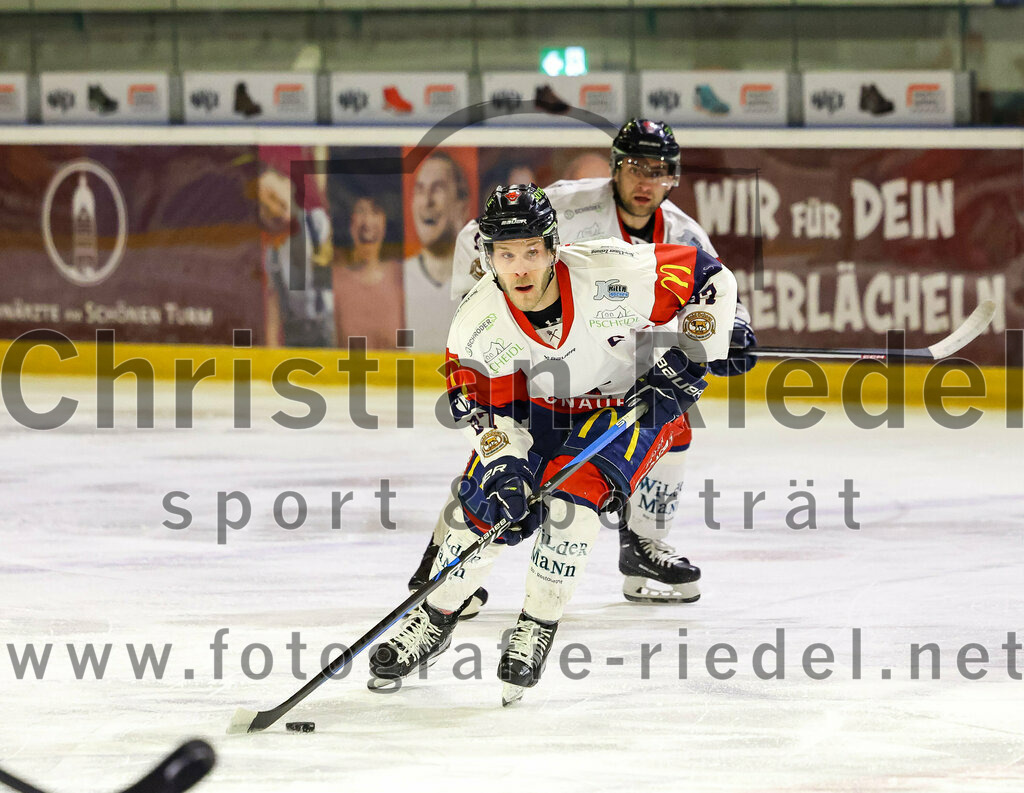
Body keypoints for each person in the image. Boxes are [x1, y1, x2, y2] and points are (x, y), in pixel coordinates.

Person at [369, 184, 739, 702]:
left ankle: (536, 627)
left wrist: (704, 343)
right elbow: (491, 413)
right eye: (506, 254)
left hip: (628, 404)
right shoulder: (476, 324)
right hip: (537, 410)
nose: (520, 269)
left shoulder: (613, 273)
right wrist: (506, 469)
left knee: (574, 508)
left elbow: (709, 276)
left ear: (553, 246)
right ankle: (434, 620)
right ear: (488, 256)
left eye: (532, 253)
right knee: (481, 512)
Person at [411, 119, 757, 609]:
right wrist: (489, 310)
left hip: (620, 357)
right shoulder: (568, 204)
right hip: (545, 354)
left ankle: (641, 546)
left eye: (659, 172)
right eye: (636, 168)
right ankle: (443, 562)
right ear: (616, 167)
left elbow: (712, 287)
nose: (646, 183)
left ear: (672, 178)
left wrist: (730, 332)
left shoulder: (683, 230)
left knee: (671, 424)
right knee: (501, 444)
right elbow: (478, 235)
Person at [402, 151, 471, 350]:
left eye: (438, 189)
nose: (427, 201)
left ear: (462, 205)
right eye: (420, 190)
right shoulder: (398, 280)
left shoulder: (484, 282)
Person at [333, 195, 403, 349]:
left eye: (375, 212)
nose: (367, 221)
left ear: (385, 222)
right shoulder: (335, 281)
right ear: (350, 223)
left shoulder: (402, 277)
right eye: (360, 211)